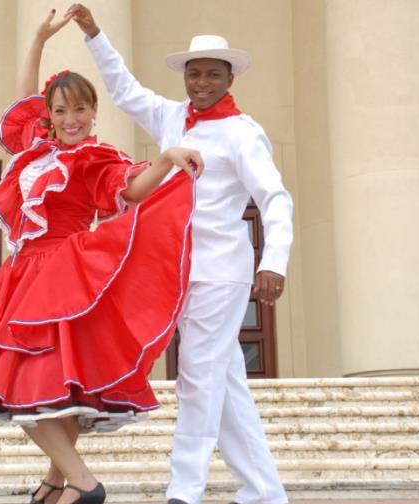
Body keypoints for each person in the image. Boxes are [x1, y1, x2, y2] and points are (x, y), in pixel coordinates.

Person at [0, 9, 203, 504]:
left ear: (93, 112)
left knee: (20, 386)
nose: (70, 120)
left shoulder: (95, 158)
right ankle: (57, 482)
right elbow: (24, 100)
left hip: (63, 270)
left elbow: (132, 190)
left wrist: (169, 157)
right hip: (26, 270)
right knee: (57, 387)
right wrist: (38, 40)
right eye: (60, 111)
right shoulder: (37, 149)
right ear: (50, 116)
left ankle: (85, 485)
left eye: (80, 110)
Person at [70, 5, 293, 504]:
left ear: (229, 78)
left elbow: (275, 197)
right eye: (194, 73)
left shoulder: (242, 132)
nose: (202, 82)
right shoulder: (172, 117)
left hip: (221, 271)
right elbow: (124, 90)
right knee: (225, 382)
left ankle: (184, 491)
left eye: (213, 73)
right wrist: (93, 34)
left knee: (195, 374)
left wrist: (273, 260)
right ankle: (264, 491)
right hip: (175, 270)